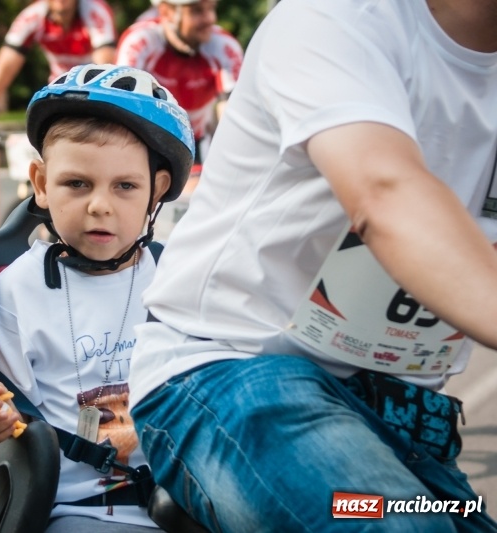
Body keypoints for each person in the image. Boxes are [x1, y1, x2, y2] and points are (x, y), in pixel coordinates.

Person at [127, 0, 497, 531]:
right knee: (397, 525)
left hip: (397, 407)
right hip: (234, 374)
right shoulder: (337, 16)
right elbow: (386, 197)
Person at [0, 64, 195, 532]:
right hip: (75, 511)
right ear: (42, 184)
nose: (100, 205)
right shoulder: (16, 291)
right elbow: (5, 408)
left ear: (158, 191)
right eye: (77, 184)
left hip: (188, 502)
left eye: (126, 186)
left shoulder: (180, 279)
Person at [116, 0, 243, 192]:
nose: (211, 19)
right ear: (167, 12)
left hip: (196, 143)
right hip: (146, 140)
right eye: (197, 11)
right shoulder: (140, 41)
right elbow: (121, 113)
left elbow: (233, 121)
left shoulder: (223, 46)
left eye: (212, 9)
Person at [0, 0, 116, 125]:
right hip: (61, 88)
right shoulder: (32, 16)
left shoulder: (95, 11)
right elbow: (3, 69)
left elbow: (105, 69)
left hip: (92, 86)